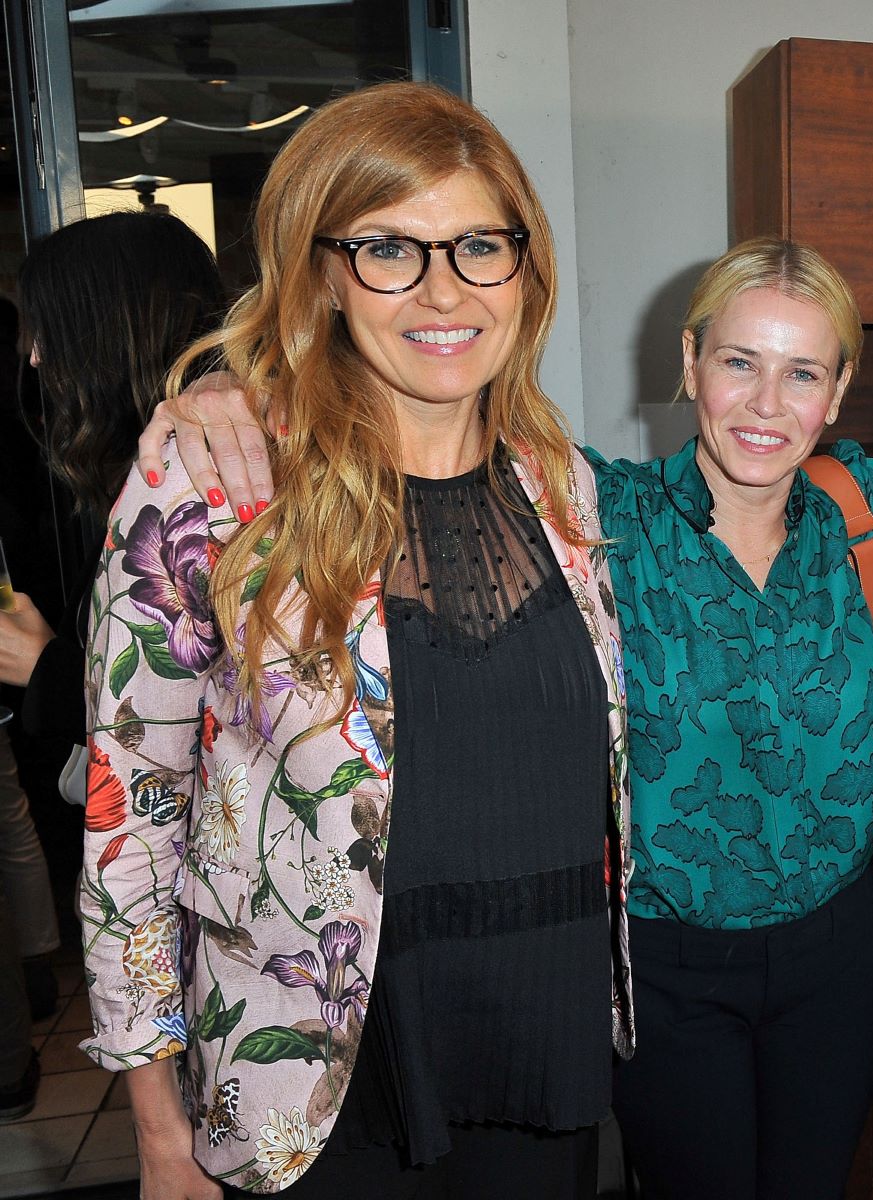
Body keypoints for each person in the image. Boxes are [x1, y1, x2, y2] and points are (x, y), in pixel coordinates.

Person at [141, 236, 873, 1199]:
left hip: (844, 960)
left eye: (802, 372)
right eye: (740, 362)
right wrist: (242, 393)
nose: (765, 402)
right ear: (689, 364)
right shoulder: (594, 512)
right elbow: (425, 408)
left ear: (837, 391)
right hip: (665, 972)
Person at [80, 81, 632, 1197]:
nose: (445, 289)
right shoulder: (212, 483)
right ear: (324, 273)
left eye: (481, 244)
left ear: (526, 267)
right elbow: (128, 810)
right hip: (326, 1085)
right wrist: (154, 1123)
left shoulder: (562, 479)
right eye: (390, 247)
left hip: (549, 1046)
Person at [0, 212, 224, 1120]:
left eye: (47, 331)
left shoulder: (201, 466)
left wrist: (51, 671)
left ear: (109, 325)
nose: (36, 361)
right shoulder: (159, 457)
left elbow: (221, 715)